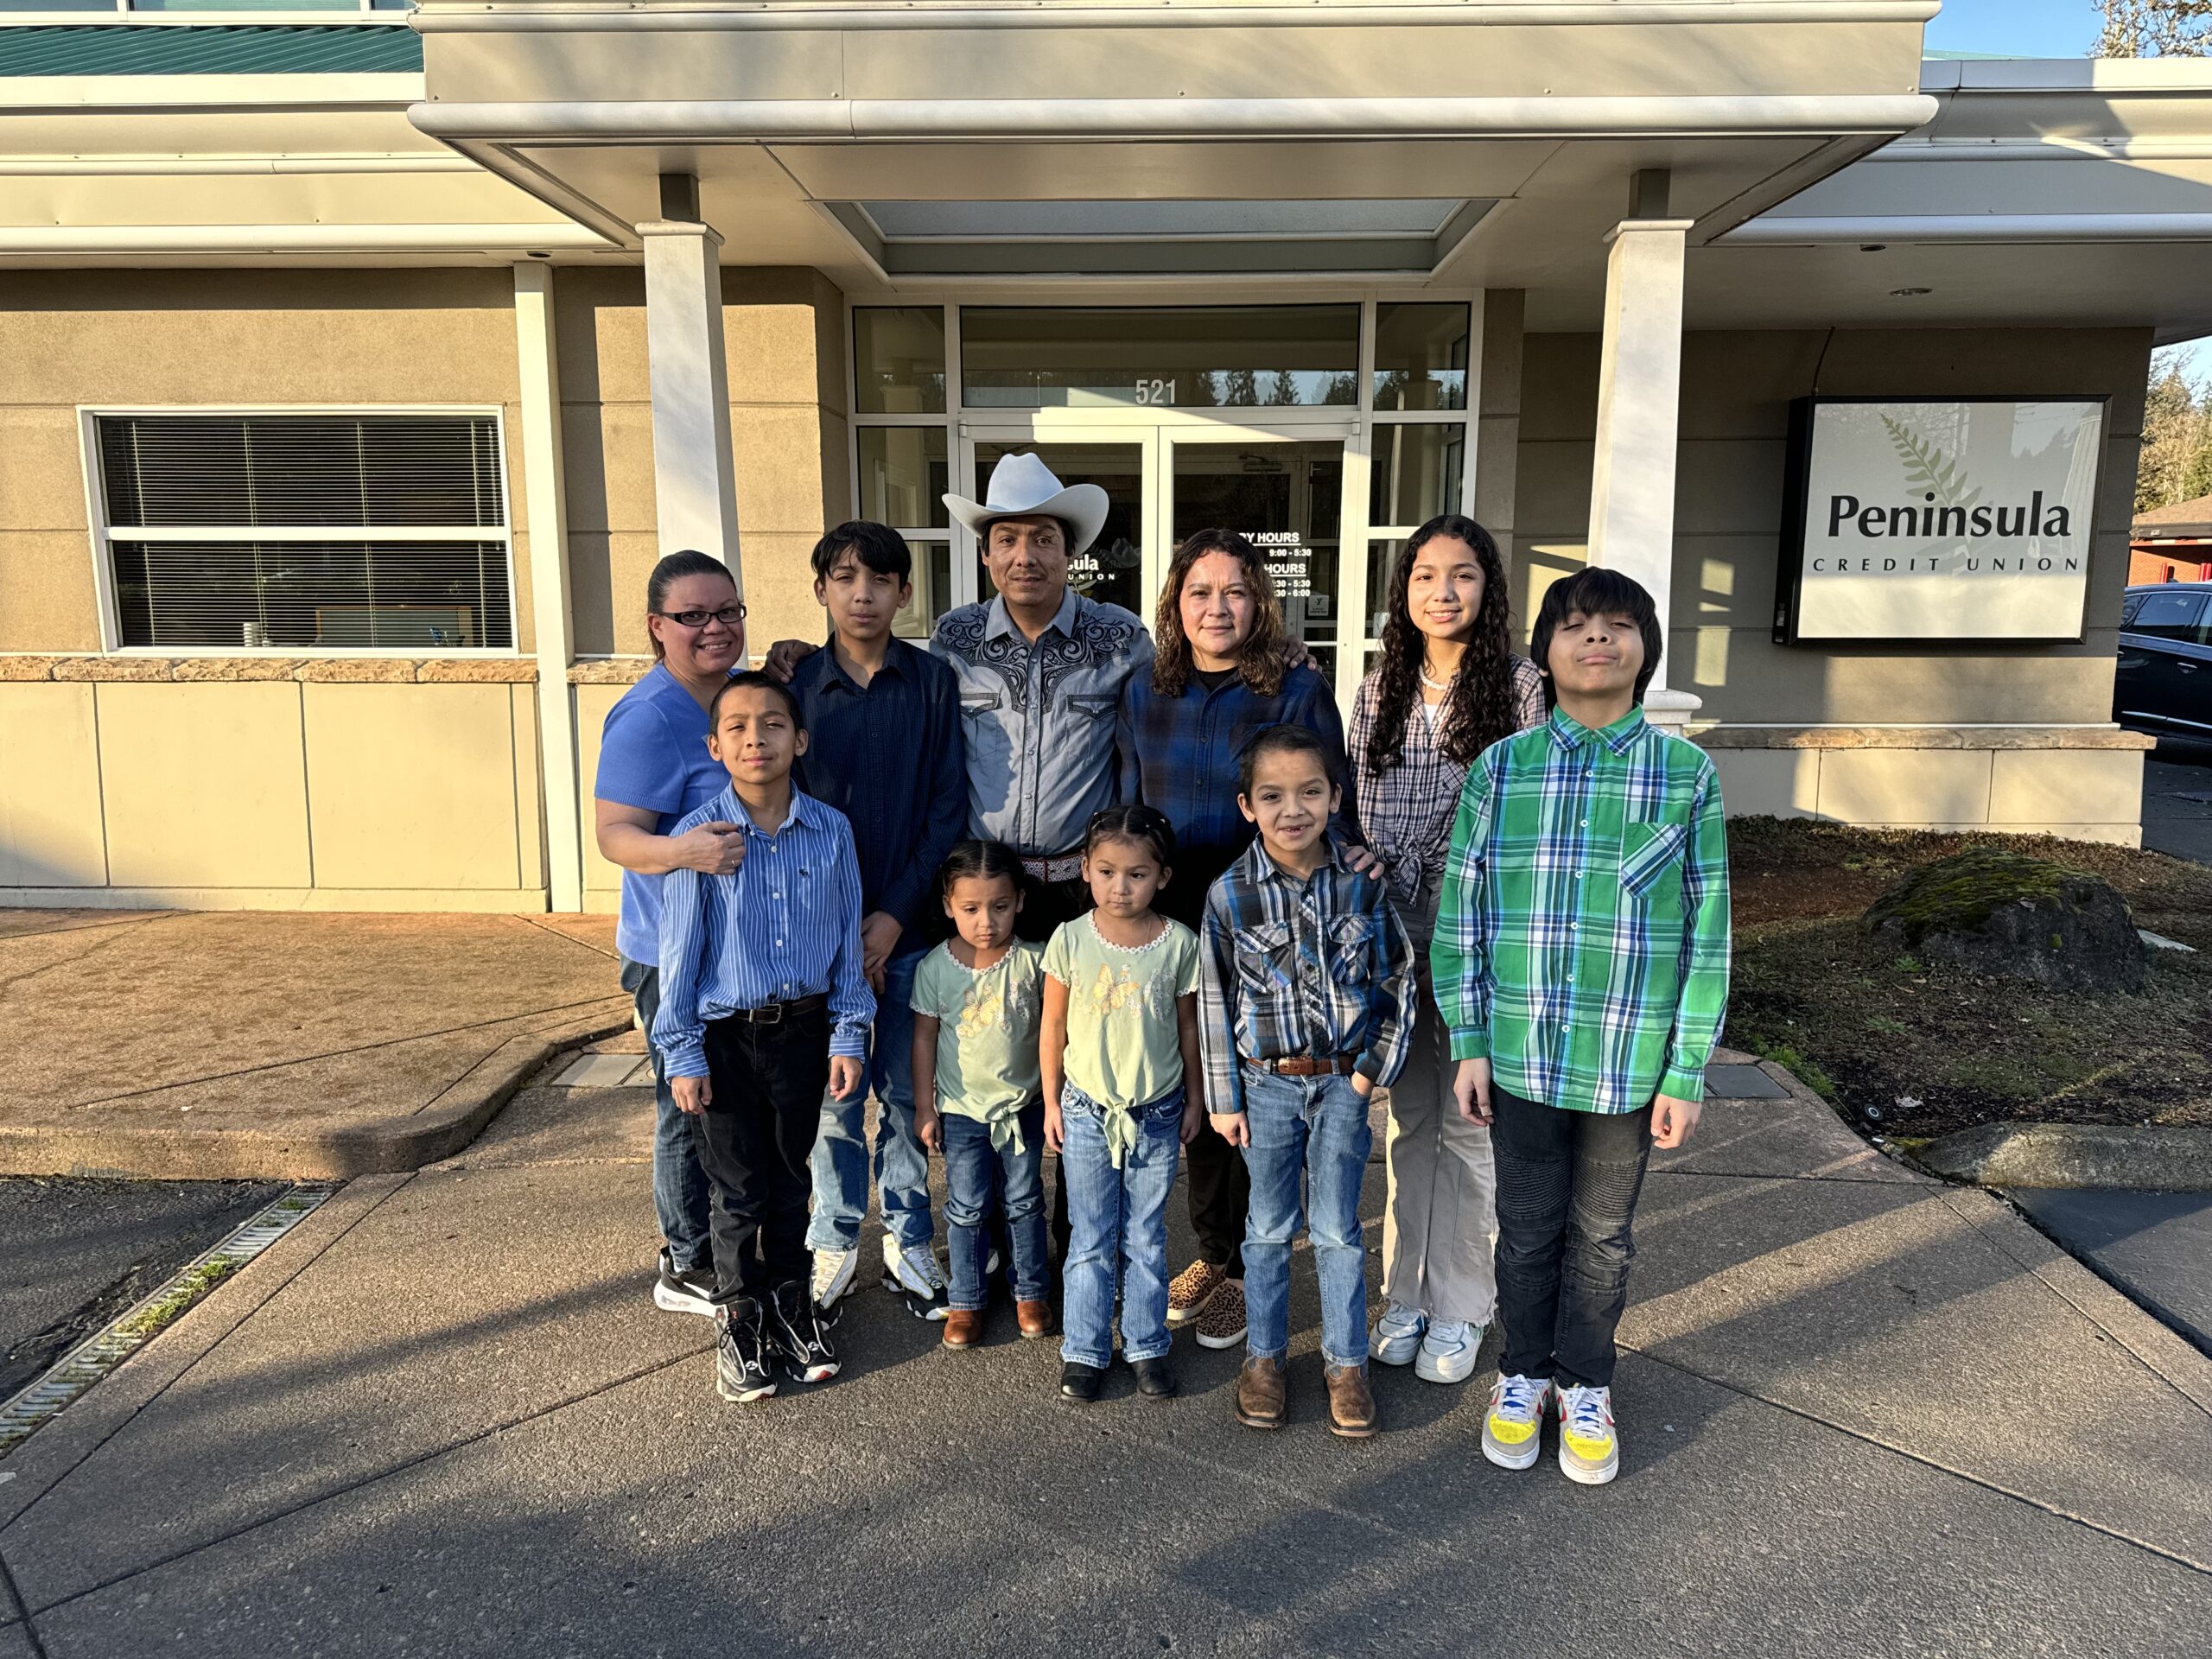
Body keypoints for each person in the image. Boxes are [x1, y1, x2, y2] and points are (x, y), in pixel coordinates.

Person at [1433, 568, 1731, 1486]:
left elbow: (1708, 928)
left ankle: (1585, 1381)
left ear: (1644, 647)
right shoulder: (1502, 769)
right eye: (1573, 626)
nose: (1594, 639)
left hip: (1626, 1061)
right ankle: (1520, 1373)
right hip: (1520, 1054)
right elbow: (1463, 913)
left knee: (1601, 1237)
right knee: (1523, 1231)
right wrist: (1469, 1039)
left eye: (1615, 625)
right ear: (1546, 651)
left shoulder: (1685, 774)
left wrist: (1685, 1070)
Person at [1119, 526, 1355, 1357]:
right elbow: (1127, 801)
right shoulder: (1149, 688)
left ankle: (1256, 1261)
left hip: (1269, 915)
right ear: (1174, 604)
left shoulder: (1292, 687)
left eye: (1234, 592)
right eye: (1198, 593)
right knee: (1198, 1082)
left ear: (1259, 601)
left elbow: (1332, 794)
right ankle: (1214, 1255)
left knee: (1261, 1087)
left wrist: (1345, 861)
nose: (1216, 608)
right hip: (1176, 909)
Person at [1350, 514, 1547, 1388]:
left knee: (1469, 1126)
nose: (1443, 591)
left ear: (1486, 587)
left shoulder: (1520, 686)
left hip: (1477, 926)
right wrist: (1361, 853)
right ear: (1404, 591)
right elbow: (1354, 804)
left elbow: (1521, 810)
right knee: (1408, 1122)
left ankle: (1464, 1305)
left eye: (1462, 575)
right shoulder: (1373, 689)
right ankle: (1406, 1295)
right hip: (1393, 924)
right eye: (1426, 574)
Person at [653, 672, 875, 1404]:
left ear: (800, 740)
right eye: (740, 727)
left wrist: (848, 1034)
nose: (758, 738)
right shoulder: (703, 841)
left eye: (774, 724)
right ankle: (740, 1314)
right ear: (716, 746)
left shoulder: (831, 831)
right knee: (737, 1188)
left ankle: (790, 1299)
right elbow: (678, 956)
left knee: (791, 1180)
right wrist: (681, 1051)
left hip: (805, 1034)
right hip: (724, 1040)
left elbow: (847, 944)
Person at [1198, 727, 1415, 1440]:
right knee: (1264, 1229)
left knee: (1336, 1229)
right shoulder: (1229, 895)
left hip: (1342, 1085)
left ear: (1335, 797)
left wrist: (1367, 1076)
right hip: (1264, 1086)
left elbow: (1396, 977)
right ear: (1246, 805)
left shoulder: (1360, 884)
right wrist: (1225, 1099)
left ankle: (1344, 1363)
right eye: (1273, 796)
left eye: (1310, 792)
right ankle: (1263, 1360)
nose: (1293, 809)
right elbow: (1212, 1002)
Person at [787, 522, 969, 1319]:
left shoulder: (932, 682)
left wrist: (893, 917)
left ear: (903, 592)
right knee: (833, 1098)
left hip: (911, 929)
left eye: (880, 579)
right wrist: (840, 934)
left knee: (902, 1093)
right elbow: (776, 814)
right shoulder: (792, 689)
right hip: (816, 940)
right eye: (844, 576)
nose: (862, 593)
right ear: (822, 588)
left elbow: (947, 808)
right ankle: (832, 1238)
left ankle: (907, 1238)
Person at [593, 550, 748, 1320]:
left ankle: (717, 1244)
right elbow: (615, 834)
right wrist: (684, 851)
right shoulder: (649, 715)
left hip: (733, 953)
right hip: (670, 956)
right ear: (658, 628)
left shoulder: (735, 700)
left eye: (727, 611)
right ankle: (684, 1262)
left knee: (724, 1106)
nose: (714, 628)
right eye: (693, 616)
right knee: (684, 1104)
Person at [1040, 805, 1203, 1405]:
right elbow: (1051, 1022)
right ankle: (1085, 1348)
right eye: (1106, 871)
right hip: (1086, 1109)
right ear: (1085, 871)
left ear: (1161, 876)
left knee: (1145, 1234)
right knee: (1089, 1233)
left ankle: (1146, 1344)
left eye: (1136, 874)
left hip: (1157, 1109)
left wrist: (1195, 1097)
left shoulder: (1179, 944)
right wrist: (1051, 1099)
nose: (1120, 886)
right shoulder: (1071, 939)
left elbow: (1188, 1027)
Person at [911, 840, 1052, 1351]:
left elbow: (1053, 1033)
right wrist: (926, 1106)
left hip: (1024, 1108)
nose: (985, 921)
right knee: (966, 1208)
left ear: (1019, 901)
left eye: (999, 906)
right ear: (949, 905)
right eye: (970, 909)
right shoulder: (935, 967)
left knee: (1024, 1201)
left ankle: (1030, 1291)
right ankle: (966, 1299)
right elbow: (925, 1037)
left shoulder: (1036, 963)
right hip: (962, 1111)